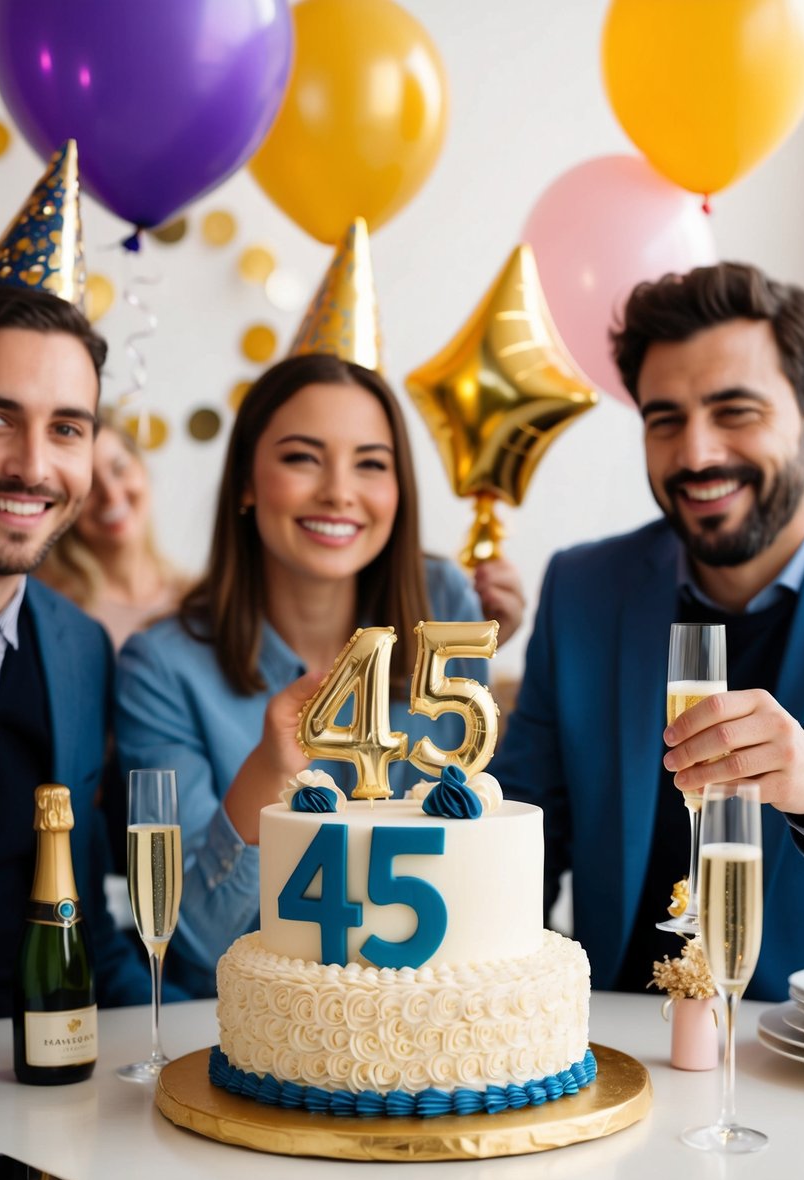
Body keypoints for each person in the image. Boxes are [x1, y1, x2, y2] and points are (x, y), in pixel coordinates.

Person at [115, 352, 524, 996]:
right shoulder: (161, 667)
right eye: (303, 457)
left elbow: (479, 862)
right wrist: (268, 769)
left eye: (370, 463)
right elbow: (191, 941)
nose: (339, 491)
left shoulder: (445, 607)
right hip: (250, 1034)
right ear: (247, 481)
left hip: (428, 1013)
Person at [493, 262, 804, 1002]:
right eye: (664, 419)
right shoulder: (582, 590)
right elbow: (522, 839)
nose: (696, 453)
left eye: (734, 411)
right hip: (613, 1046)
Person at [0, 285, 158, 1017]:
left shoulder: (81, 649)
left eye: (66, 429)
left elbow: (77, 916)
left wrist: (185, 1038)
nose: (31, 467)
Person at [35, 418, 187, 649]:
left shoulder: (197, 596)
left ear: (143, 469)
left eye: (119, 469)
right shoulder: (54, 609)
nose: (111, 495)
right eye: (89, 483)